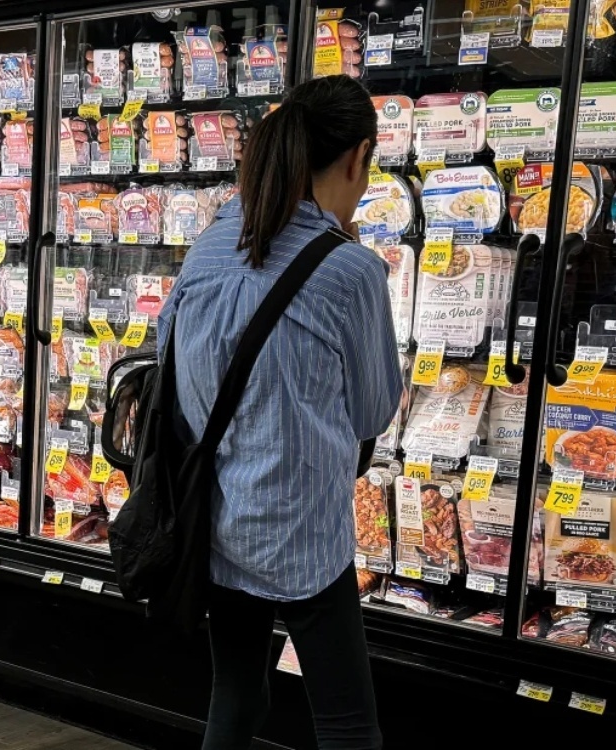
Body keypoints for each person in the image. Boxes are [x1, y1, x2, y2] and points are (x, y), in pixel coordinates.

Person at [155, 75, 403, 749]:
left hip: (216, 519)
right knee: (348, 726)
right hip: (303, 532)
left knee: (236, 696)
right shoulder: (351, 271)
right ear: (357, 157)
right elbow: (373, 413)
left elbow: (168, 359)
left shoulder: (211, 242)